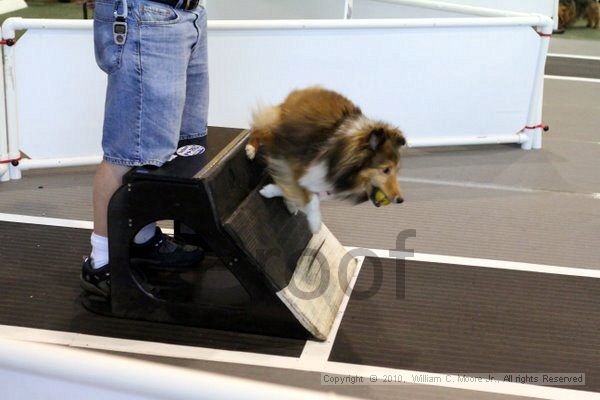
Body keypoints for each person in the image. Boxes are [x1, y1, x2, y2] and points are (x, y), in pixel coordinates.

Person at [80, 0, 209, 298]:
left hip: (187, 15)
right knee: (128, 150)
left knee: (175, 143)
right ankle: (101, 262)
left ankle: (141, 237)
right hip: (145, 15)